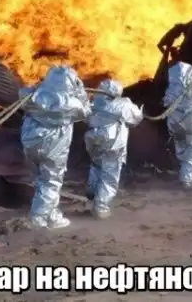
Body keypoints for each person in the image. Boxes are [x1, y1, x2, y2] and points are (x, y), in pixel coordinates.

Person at [19, 65, 91, 229]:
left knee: (40, 179)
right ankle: (39, 218)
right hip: (53, 148)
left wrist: (41, 87)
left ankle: (52, 213)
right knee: (51, 181)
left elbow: (23, 92)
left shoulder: (32, 97)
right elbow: (86, 112)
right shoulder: (72, 104)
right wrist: (80, 91)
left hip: (30, 144)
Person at [84, 78, 143, 219]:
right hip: (112, 142)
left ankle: (92, 191)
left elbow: (85, 117)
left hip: (93, 139)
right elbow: (136, 119)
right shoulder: (123, 105)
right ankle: (101, 207)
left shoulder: (93, 102)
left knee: (96, 165)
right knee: (110, 174)